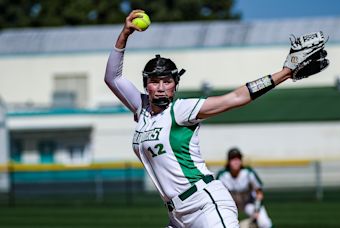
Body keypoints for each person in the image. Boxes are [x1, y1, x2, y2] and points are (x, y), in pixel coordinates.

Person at [104, 9, 327, 228]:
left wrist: (285, 73)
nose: (161, 87)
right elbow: (112, 78)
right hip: (177, 216)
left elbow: (235, 98)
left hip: (205, 205)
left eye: (167, 81)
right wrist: (124, 34)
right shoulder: (141, 108)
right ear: (146, 85)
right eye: (154, 81)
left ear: (175, 85)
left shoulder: (181, 110)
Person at [217, 148, 273, 228]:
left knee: (265, 223)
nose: (236, 161)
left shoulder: (248, 173)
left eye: (238, 158)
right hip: (231, 204)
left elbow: (259, 193)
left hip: (248, 203)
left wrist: (256, 210)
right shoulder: (222, 175)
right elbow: (217, 194)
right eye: (233, 158)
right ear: (229, 161)